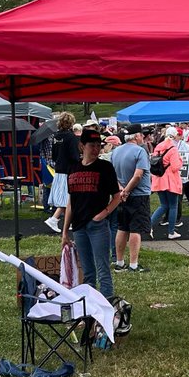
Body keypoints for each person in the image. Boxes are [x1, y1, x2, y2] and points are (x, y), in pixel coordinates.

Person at [62, 127, 121, 300]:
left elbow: (117, 196)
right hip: (79, 226)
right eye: (92, 146)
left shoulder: (105, 167)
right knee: (87, 272)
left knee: (103, 270)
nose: (96, 149)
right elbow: (71, 201)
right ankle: (90, 308)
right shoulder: (73, 169)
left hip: (98, 226)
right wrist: (65, 231)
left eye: (98, 146)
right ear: (82, 146)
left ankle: (108, 308)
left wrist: (103, 214)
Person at [110, 124, 151, 272]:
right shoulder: (140, 151)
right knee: (136, 229)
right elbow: (138, 174)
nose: (142, 137)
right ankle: (133, 264)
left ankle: (119, 262)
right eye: (141, 134)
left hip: (121, 195)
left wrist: (121, 189)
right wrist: (127, 190)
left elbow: (112, 173)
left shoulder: (116, 151)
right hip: (138, 194)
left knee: (122, 227)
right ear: (136, 136)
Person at [46, 112, 81, 233]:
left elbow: (54, 155)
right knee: (67, 198)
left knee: (66, 197)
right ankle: (54, 219)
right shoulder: (71, 137)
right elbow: (74, 155)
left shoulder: (56, 136)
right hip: (69, 170)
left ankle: (70, 221)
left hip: (59, 169)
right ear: (71, 123)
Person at [150, 127, 183, 239]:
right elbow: (175, 167)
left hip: (159, 179)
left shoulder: (158, 147)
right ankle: (171, 232)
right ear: (174, 136)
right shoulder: (173, 149)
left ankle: (148, 225)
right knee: (173, 206)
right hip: (170, 181)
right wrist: (180, 161)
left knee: (163, 205)